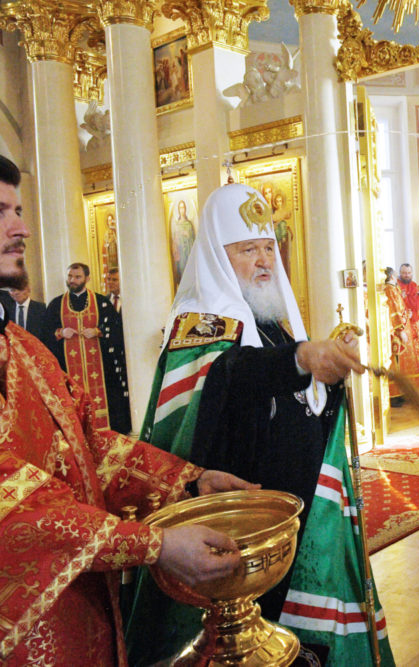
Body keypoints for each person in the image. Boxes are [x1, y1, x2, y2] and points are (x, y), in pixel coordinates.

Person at [0, 154, 256, 664]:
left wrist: (188, 481)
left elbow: (89, 448)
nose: (22, 228)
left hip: (79, 605)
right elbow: (14, 503)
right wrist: (155, 546)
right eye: (2, 212)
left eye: (19, 210)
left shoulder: (22, 347)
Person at [127, 183, 394, 666]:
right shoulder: (200, 324)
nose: (265, 260)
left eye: (269, 247)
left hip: (291, 510)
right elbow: (233, 376)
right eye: (248, 249)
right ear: (215, 255)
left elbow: (295, 397)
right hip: (235, 523)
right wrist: (300, 359)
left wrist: (326, 370)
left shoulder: (271, 320)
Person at [42, 262, 131, 434]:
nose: (72, 280)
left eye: (77, 277)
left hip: (100, 369)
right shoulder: (56, 305)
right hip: (68, 368)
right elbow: (45, 334)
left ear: (87, 278)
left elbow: (116, 330)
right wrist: (60, 332)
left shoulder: (101, 302)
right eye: (70, 276)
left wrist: (98, 332)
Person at [382, 267, 419, 406]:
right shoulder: (389, 289)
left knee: (405, 363)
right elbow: (394, 310)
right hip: (398, 331)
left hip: (404, 326)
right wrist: (400, 329)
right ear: (392, 276)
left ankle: (402, 392)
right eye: (395, 274)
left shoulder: (393, 288)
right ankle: (394, 395)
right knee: (397, 362)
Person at [397, 263, 419, 368]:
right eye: (404, 273)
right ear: (400, 273)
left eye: (409, 273)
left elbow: (418, 303)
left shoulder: (414, 285)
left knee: (418, 345)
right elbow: (396, 304)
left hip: (416, 320)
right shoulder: (396, 286)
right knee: (407, 346)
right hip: (404, 322)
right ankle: (409, 368)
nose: (407, 275)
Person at [170, 198, 196, 287]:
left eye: (183, 208)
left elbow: (193, 240)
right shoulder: (177, 225)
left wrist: (188, 235)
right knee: (181, 271)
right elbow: (174, 241)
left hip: (187, 253)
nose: (182, 210)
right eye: (180, 208)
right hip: (180, 255)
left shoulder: (189, 224)